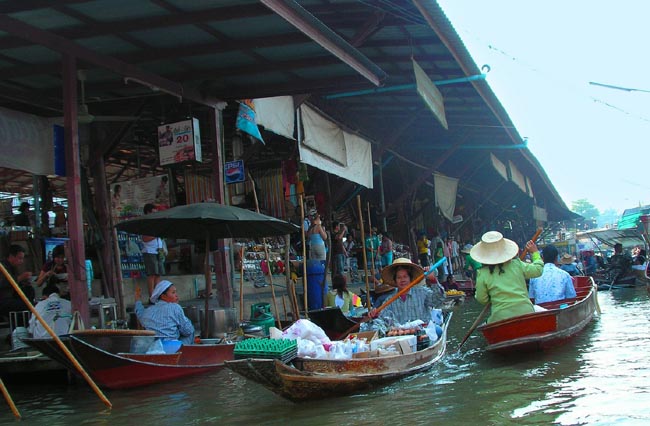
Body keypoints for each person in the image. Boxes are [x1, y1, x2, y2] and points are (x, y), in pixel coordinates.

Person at [472, 231, 543, 323]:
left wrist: (493, 297)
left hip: (500, 317)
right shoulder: (517, 264)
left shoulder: (482, 273)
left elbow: (481, 299)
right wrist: (535, 253)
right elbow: (538, 270)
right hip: (526, 311)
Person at [370, 258, 443, 325]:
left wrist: (433, 280)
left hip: (423, 333)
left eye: (405, 276)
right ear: (395, 280)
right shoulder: (389, 300)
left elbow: (439, 300)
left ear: (410, 278)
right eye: (399, 277)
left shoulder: (422, 292)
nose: (402, 280)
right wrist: (375, 316)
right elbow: (383, 320)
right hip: (402, 336)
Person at [134, 280, 195, 344]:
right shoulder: (175, 307)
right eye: (173, 292)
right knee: (191, 331)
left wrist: (137, 300)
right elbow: (188, 331)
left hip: (153, 346)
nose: (176, 295)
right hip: (171, 347)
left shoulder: (147, 312)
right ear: (163, 296)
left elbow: (139, 311)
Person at [0, 244, 36, 318]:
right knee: (27, 305)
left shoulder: (12, 267)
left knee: (29, 290)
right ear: (11, 257)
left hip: (11, 296)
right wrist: (20, 278)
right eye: (19, 258)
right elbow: (3, 283)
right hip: (3, 299)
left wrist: (24, 282)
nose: (21, 261)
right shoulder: (2, 267)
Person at [141, 203, 166, 296]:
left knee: (158, 273)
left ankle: (158, 294)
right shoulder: (145, 223)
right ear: (148, 212)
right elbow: (144, 238)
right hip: (149, 251)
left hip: (158, 250)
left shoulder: (156, 223)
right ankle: (152, 296)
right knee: (152, 274)